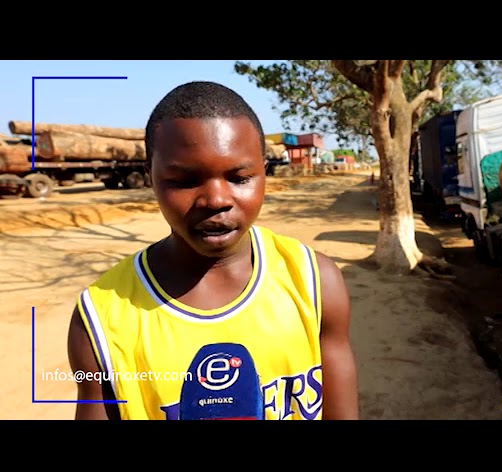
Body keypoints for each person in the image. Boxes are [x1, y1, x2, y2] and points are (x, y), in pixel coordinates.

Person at [67, 81, 359, 420]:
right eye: (184, 181)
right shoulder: (101, 320)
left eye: (239, 177)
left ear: (264, 171)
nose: (216, 200)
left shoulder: (314, 282)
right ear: (150, 177)